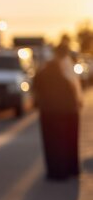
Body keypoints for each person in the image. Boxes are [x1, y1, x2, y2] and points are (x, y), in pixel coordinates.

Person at [33, 35, 83, 180]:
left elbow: (36, 86)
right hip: (67, 111)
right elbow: (75, 89)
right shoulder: (68, 66)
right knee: (66, 142)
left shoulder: (47, 68)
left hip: (51, 112)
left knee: (55, 144)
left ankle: (58, 172)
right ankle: (67, 170)